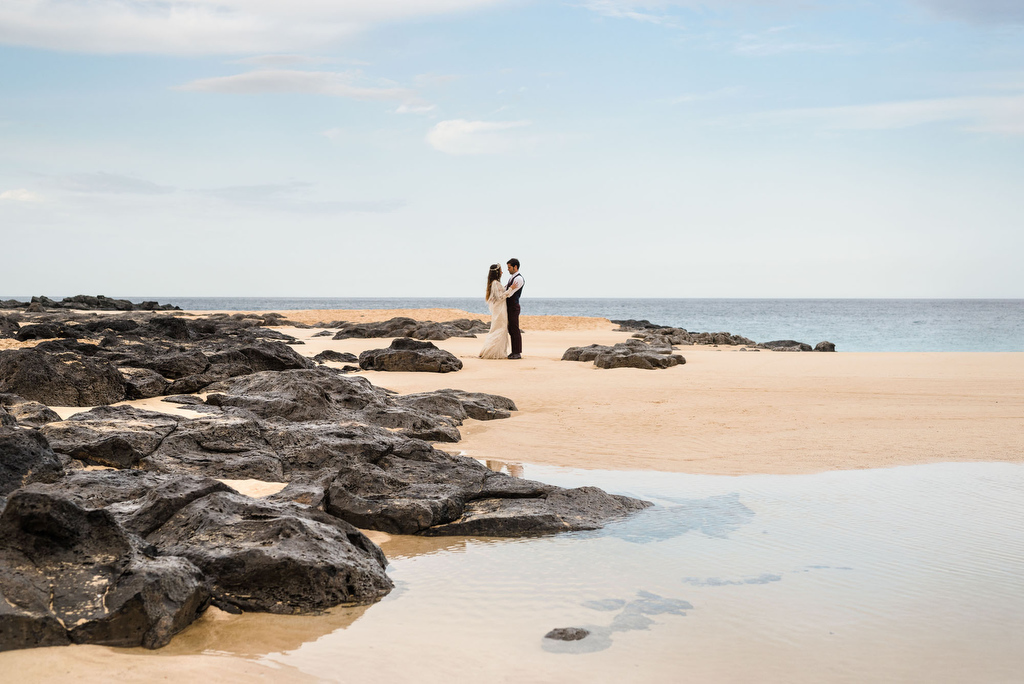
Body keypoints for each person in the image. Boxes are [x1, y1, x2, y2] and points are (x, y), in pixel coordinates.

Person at [479, 263, 511, 359]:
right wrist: (510, 290)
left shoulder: (494, 283)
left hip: (499, 309)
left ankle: (493, 351)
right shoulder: (495, 284)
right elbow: (499, 297)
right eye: (500, 270)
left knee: (496, 329)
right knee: (500, 329)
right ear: (497, 272)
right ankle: (492, 352)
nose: (502, 272)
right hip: (500, 310)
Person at [505, 258, 525, 359]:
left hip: (514, 307)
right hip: (509, 307)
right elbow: (506, 289)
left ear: (515, 267)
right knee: (511, 329)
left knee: (515, 329)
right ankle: (514, 351)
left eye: (509, 267)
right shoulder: (512, 277)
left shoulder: (518, 279)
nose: (508, 269)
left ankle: (517, 352)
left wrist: (507, 290)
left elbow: (509, 294)